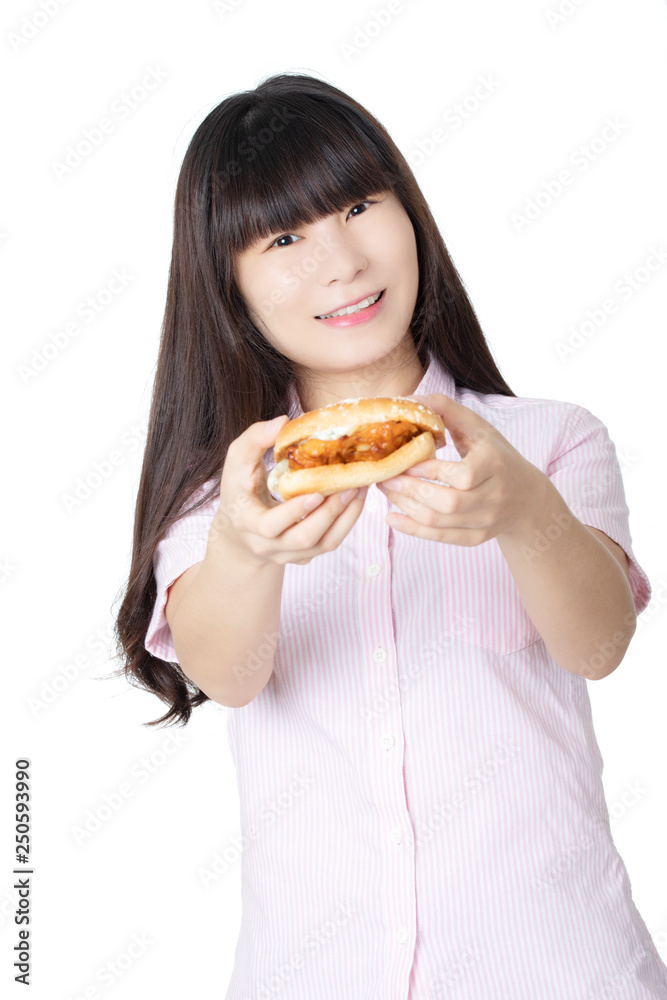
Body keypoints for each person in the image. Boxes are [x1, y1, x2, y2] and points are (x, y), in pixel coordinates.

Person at [112, 72, 667, 999]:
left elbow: (600, 644)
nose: (340, 261)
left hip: (558, 965)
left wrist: (525, 514)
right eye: (284, 236)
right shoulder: (229, 489)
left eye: (360, 206)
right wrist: (247, 551)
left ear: (410, 215)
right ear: (227, 282)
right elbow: (227, 674)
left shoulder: (548, 439)